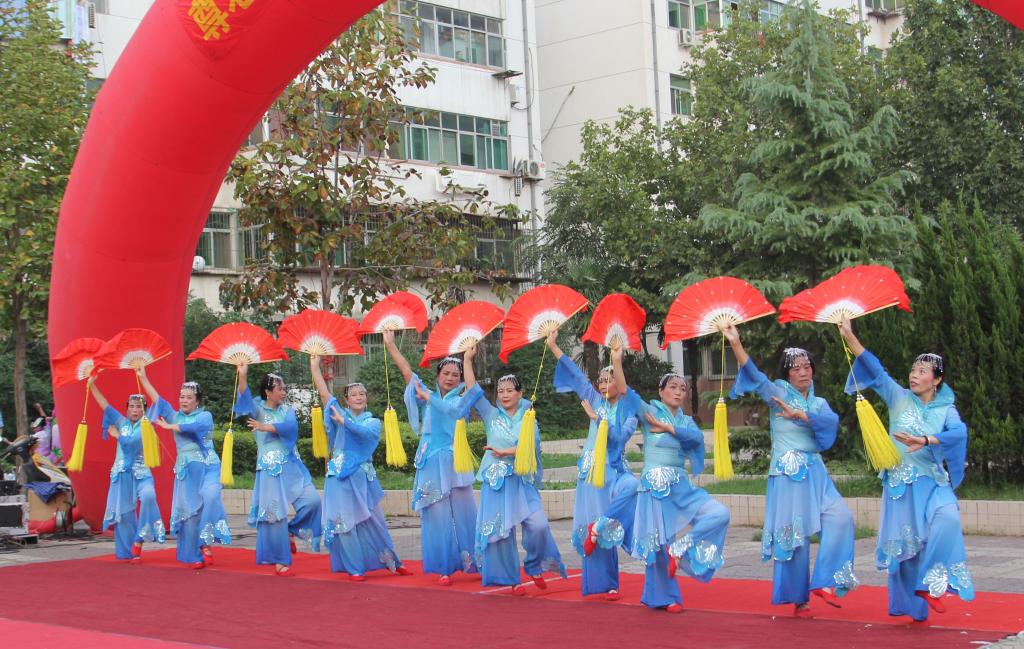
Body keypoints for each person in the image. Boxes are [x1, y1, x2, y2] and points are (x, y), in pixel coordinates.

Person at [839, 317, 974, 621]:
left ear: (936, 380)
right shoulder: (897, 397)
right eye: (913, 370)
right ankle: (915, 608)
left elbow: (959, 433)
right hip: (901, 485)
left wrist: (926, 439)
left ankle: (930, 584)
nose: (914, 375)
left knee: (949, 519)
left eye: (922, 372)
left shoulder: (946, 409)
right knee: (908, 545)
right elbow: (874, 368)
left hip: (932, 482)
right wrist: (850, 337)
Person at [723, 323, 858, 617]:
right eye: (796, 368)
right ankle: (800, 600)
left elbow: (830, 426)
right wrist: (735, 343)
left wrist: (803, 415)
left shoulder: (819, 403)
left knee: (842, 518)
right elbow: (756, 378)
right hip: (788, 472)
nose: (804, 371)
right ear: (787, 373)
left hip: (815, 472)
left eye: (807, 366)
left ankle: (824, 580)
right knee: (795, 535)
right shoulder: (776, 395)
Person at [461, 344, 567, 594]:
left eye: (510, 390)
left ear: (520, 394)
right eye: (501, 390)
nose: (505, 394)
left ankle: (534, 564)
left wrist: (506, 452)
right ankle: (509, 580)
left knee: (538, 525)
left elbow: (532, 446)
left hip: (521, 480)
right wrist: (467, 359)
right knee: (499, 533)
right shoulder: (490, 414)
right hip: (497, 481)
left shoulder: (529, 417)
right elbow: (472, 390)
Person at [623, 368, 730, 613]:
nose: (679, 392)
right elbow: (624, 391)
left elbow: (696, 440)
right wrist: (618, 360)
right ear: (661, 392)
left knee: (719, 514)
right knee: (658, 544)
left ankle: (682, 547)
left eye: (683, 388)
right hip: (655, 487)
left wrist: (669, 428)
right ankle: (663, 597)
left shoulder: (686, 420)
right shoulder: (648, 411)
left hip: (681, 488)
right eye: (673, 387)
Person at [546, 331, 640, 600]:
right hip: (590, 473)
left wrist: (598, 420)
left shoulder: (628, 411)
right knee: (593, 530)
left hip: (613, 471)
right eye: (600, 380)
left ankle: (600, 526)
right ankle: (604, 584)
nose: (602, 384)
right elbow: (575, 375)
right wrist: (553, 346)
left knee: (631, 488)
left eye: (609, 380)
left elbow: (620, 439)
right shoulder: (595, 400)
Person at [383, 329, 479, 586]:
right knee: (436, 517)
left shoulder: (461, 399)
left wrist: (467, 360)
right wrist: (391, 345)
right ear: (437, 376)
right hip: (429, 464)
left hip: (454, 462)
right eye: (445, 374)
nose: (450, 378)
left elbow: (468, 395)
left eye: (455, 375)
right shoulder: (427, 395)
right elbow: (407, 373)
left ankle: (475, 562)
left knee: (466, 513)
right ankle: (445, 567)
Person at [310, 355, 410, 581]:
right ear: (346, 399)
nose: (358, 397)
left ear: (366, 399)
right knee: (344, 522)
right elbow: (325, 395)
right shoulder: (338, 414)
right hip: (339, 477)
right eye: (353, 394)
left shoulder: (372, 422)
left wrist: (344, 422)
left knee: (375, 521)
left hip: (363, 478)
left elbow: (364, 435)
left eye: (362, 394)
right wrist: (315, 367)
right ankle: (355, 568)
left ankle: (392, 561)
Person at [138, 368, 230, 569]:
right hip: (186, 471)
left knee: (211, 498)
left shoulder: (205, 416)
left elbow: (195, 427)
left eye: (189, 397)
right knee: (190, 513)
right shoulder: (174, 415)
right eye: (181, 397)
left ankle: (205, 541)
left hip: (208, 468)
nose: (184, 400)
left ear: (197, 400)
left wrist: (172, 427)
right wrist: (143, 377)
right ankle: (197, 553)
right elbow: (158, 401)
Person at [235, 365, 322, 575]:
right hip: (269, 470)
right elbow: (244, 397)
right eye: (280, 388)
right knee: (275, 513)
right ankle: (280, 561)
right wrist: (242, 375)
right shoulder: (258, 409)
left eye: (284, 389)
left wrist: (265, 427)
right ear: (268, 391)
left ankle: (291, 531)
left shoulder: (287, 410)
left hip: (292, 466)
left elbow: (291, 428)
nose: (283, 392)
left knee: (313, 501)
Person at [88, 376, 165, 560]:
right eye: (131, 406)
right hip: (121, 474)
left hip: (141, 473)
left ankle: (140, 537)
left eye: (139, 407)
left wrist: (116, 435)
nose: (135, 410)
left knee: (148, 496)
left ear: (145, 410)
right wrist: (92, 385)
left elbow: (131, 443)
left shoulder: (146, 427)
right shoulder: (121, 422)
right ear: (127, 408)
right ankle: (126, 552)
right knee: (123, 514)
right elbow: (104, 405)